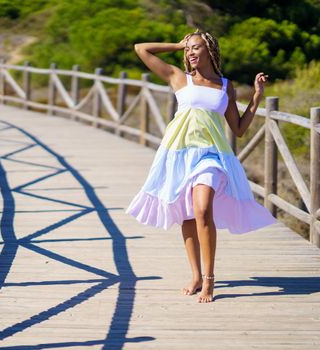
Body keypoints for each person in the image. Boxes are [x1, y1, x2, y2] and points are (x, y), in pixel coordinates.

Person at [126, 29, 277, 303]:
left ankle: (209, 279)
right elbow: (141, 48)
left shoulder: (225, 86)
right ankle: (195, 274)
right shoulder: (179, 78)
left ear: (209, 50)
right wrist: (176, 44)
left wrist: (256, 97)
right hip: (179, 155)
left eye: (195, 48)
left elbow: (239, 128)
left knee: (203, 208)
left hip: (211, 155)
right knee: (187, 214)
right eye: (188, 49)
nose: (190, 53)